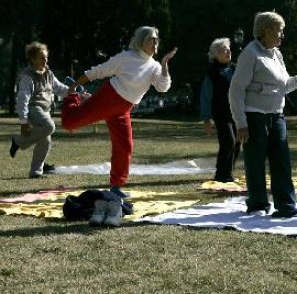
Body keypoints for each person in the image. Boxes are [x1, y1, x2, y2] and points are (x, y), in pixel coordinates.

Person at [61, 26, 177, 198]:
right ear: (140, 41)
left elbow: (163, 87)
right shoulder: (127, 57)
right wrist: (74, 85)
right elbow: (99, 70)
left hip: (123, 109)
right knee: (69, 123)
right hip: (107, 99)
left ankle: (116, 187)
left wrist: (165, 65)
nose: (155, 43)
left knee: (125, 146)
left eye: (156, 40)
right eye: (150, 39)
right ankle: (76, 96)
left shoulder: (155, 66)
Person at [228, 12, 297, 218]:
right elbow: (236, 90)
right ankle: (258, 205)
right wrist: (240, 123)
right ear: (266, 31)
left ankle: (286, 206)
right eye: (280, 31)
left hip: (277, 116)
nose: (282, 35)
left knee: (282, 161)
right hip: (254, 117)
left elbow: (285, 86)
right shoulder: (250, 53)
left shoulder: (276, 54)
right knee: (255, 161)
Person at [10, 42, 70, 178]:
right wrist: (23, 121)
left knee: (45, 141)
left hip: (44, 110)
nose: (45, 60)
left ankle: (35, 172)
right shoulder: (27, 76)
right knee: (49, 126)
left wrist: (73, 91)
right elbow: (22, 100)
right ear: (32, 59)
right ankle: (18, 141)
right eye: (42, 58)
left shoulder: (49, 73)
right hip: (33, 108)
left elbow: (59, 88)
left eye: (46, 58)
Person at [200, 37, 240, 182]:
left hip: (237, 113)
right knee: (228, 141)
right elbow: (205, 96)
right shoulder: (212, 73)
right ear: (215, 55)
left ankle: (227, 171)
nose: (228, 51)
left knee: (237, 143)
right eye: (224, 49)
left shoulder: (237, 68)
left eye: (228, 48)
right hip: (221, 114)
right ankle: (222, 175)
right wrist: (206, 118)